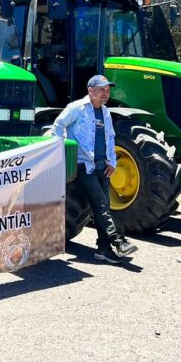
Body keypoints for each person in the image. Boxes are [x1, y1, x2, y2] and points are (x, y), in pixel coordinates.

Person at [51, 74, 138, 264]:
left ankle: (103, 250)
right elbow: (57, 126)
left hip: (102, 166)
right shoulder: (76, 108)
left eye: (108, 91)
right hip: (83, 166)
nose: (105, 94)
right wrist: (62, 149)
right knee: (100, 204)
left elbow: (110, 138)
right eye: (102, 90)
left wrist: (112, 162)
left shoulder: (105, 112)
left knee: (104, 206)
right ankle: (118, 241)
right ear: (91, 90)